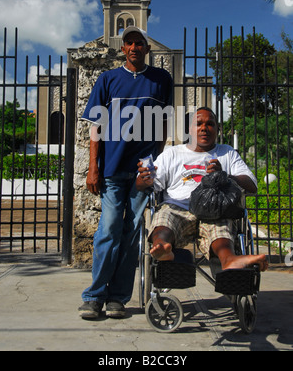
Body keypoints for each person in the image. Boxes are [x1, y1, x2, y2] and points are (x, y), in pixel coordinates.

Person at [79, 26, 173, 319]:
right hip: (111, 169)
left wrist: (157, 162)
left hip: (143, 171)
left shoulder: (161, 80)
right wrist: (93, 167)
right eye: (129, 43)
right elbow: (95, 127)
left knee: (133, 234)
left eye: (139, 43)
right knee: (108, 230)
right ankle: (94, 296)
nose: (134, 47)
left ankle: (118, 298)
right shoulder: (108, 79)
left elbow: (164, 124)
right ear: (124, 48)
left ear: (147, 48)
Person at [136, 107, 268, 273]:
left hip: (214, 211)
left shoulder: (226, 152)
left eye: (210, 124)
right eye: (198, 124)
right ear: (189, 129)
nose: (204, 128)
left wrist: (225, 175)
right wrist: (143, 179)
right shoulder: (172, 154)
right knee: (164, 217)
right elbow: (143, 185)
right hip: (178, 207)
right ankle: (162, 248)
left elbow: (252, 185)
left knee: (221, 226)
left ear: (217, 129)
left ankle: (229, 259)